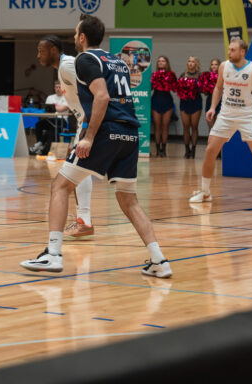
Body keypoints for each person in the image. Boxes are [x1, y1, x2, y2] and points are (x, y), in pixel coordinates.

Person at [21, 15, 172, 278]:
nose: (74, 37)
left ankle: (53, 255)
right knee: (129, 200)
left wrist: (88, 136)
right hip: (130, 132)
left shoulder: (84, 60)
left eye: (75, 33)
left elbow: (102, 96)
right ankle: (160, 260)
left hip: (105, 131)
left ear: (82, 37)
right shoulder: (118, 61)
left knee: (60, 186)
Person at [189, 38, 252, 207]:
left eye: (233, 50)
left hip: (246, 116)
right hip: (226, 115)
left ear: (242, 52)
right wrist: (212, 107)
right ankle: (205, 192)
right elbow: (218, 87)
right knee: (210, 150)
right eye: (229, 49)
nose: (229, 52)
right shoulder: (224, 66)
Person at [35, 35, 94, 238]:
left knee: (72, 174)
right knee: (81, 170)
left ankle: (83, 222)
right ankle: (84, 221)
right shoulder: (64, 67)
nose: (38, 56)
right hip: (86, 123)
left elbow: (94, 91)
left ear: (53, 50)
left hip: (90, 124)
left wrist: (87, 125)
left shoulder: (67, 65)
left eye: (41, 51)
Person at [30, 81, 69, 156]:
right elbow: (47, 109)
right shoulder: (50, 97)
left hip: (61, 120)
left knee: (51, 131)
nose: (58, 89)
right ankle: (40, 144)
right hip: (50, 119)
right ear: (54, 88)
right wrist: (54, 108)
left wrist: (53, 107)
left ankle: (41, 146)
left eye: (59, 87)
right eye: (56, 87)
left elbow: (61, 109)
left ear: (63, 88)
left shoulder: (67, 98)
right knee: (39, 124)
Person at [151, 56, 176, 157]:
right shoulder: (154, 74)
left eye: (163, 61)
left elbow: (174, 89)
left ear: (167, 63)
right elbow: (150, 88)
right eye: (159, 61)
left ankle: (164, 150)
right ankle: (157, 150)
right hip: (156, 100)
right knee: (157, 126)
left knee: (165, 126)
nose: (161, 62)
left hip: (167, 101)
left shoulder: (172, 74)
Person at [178, 56, 202, 158]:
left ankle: (193, 150)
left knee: (194, 126)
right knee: (186, 126)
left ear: (196, 64)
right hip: (184, 102)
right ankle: (187, 149)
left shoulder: (200, 76)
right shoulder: (182, 75)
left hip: (196, 102)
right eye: (189, 61)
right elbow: (177, 89)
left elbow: (203, 90)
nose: (190, 63)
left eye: (193, 61)